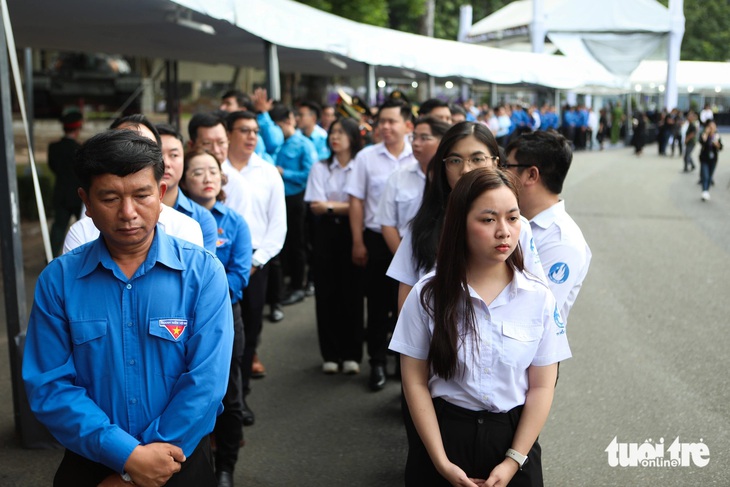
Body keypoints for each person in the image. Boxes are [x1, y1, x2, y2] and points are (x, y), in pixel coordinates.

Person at [23, 130, 233, 487]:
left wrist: (143, 467)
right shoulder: (58, 280)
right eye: (109, 198)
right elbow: (50, 385)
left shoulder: (203, 273)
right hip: (90, 464)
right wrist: (127, 457)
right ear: (86, 202)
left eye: (142, 195)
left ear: (161, 193)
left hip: (180, 461)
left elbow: (207, 381)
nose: (128, 213)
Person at [390, 167, 571, 487]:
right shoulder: (428, 295)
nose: (504, 231)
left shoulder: (539, 297)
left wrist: (513, 460)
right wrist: (440, 461)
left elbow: (542, 385)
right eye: (488, 220)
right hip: (444, 437)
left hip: (512, 441)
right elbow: (414, 381)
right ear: (460, 224)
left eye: (513, 218)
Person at [387, 122, 544, 314]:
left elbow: (536, 293)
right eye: (455, 160)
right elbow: (407, 295)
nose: (466, 170)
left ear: (495, 163)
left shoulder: (517, 227)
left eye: (477, 159)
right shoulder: (422, 226)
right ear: (443, 167)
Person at [180, 149, 252, 487]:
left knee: (229, 390)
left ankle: (226, 466)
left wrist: (211, 295)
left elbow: (240, 273)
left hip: (227, 311)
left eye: (213, 171)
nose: (207, 178)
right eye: (198, 172)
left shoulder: (235, 221)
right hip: (183, 317)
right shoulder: (177, 221)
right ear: (183, 178)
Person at [346, 97, 416, 391]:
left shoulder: (419, 156)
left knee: (409, 306)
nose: (385, 127)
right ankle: (376, 362)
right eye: (381, 122)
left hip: (413, 243)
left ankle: (404, 363)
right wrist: (358, 241)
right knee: (377, 304)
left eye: (392, 121)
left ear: (407, 125)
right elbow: (356, 200)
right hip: (376, 239)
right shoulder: (366, 157)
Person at [503, 131, 592, 325]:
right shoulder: (516, 220)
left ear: (531, 174)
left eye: (507, 166)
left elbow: (533, 314)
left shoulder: (562, 241)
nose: (502, 173)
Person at [304, 117, 365, 374]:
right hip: (326, 232)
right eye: (332, 132)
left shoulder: (360, 166)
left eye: (341, 132)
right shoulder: (320, 167)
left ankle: (352, 354)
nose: (334, 137)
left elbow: (363, 204)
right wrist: (346, 205)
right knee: (326, 294)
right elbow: (316, 205)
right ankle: (330, 353)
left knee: (352, 293)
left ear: (353, 137)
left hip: (353, 231)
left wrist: (332, 205)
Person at [377, 117, 450, 254]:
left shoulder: (452, 178)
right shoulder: (398, 177)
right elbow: (387, 223)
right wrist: (403, 261)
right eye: (414, 137)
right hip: (405, 251)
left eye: (424, 138)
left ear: (443, 142)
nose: (416, 143)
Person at [270, 105, 318, 306]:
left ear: (285, 122)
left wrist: (284, 173)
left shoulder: (303, 144)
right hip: (280, 198)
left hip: (296, 198)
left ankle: (299, 286)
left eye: (276, 127)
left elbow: (310, 175)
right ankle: (288, 285)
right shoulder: (278, 144)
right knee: (285, 243)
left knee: (297, 243)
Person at [155, 123, 218, 253]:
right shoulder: (133, 213)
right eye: (158, 155)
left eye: (174, 155)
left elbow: (202, 269)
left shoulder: (201, 218)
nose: (166, 163)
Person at [48, 110, 84, 257]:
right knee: (84, 227)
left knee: (58, 229)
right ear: (77, 128)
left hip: (61, 194)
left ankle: (50, 257)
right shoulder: (79, 149)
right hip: (78, 195)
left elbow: (52, 166)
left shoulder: (54, 147)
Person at [699, 120, 722, 201]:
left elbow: (720, 147)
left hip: (713, 159)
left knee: (710, 176)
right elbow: (701, 142)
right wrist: (705, 134)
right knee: (705, 175)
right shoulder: (705, 135)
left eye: (713, 126)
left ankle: (706, 191)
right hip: (704, 158)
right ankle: (704, 191)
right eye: (710, 126)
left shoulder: (716, 136)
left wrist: (716, 144)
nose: (712, 128)